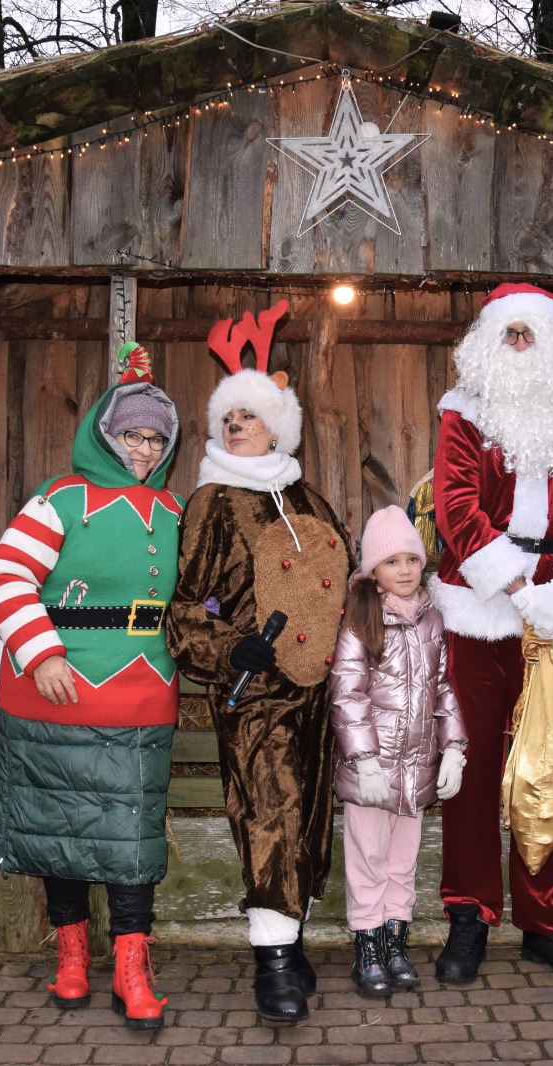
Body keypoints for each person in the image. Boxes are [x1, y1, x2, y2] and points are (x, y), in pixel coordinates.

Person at [0, 344, 182, 1029]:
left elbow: (199, 597)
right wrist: (42, 654)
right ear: (105, 434)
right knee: (57, 829)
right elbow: (6, 575)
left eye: (156, 439)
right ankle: (70, 955)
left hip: (141, 693)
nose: (145, 450)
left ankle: (130, 967)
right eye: (133, 436)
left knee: (132, 837)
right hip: (55, 691)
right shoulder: (63, 499)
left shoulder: (176, 510)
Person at [428, 282, 553, 984]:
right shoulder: (463, 408)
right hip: (480, 612)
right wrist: (516, 586)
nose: (518, 343)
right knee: (472, 767)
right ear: (488, 340)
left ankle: (548, 923)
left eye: (529, 332)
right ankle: (469, 915)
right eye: (507, 333)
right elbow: (455, 506)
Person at [166, 363, 355, 1024]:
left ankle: (290, 942)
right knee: (270, 809)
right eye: (227, 417)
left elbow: (343, 578)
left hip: (316, 687)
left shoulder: (308, 499)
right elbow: (185, 610)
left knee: (308, 817)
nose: (235, 425)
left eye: (248, 415)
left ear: (278, 428)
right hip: (253, 693)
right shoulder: (212, 502)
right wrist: (227, 649)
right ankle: (272, 964)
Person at [330, 506, 468, 998]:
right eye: (392, 561)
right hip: (373, 773)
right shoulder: (361, 619)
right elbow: (347, 693)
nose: (405, 570)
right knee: (368, 857)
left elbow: (443, 688)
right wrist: (365, 760)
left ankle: (395, 943)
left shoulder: (433, 619)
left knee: (402, 861)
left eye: (412, 559)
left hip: (417, 771)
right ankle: (367, 947)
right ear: (373, 570)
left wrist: (453, 749)